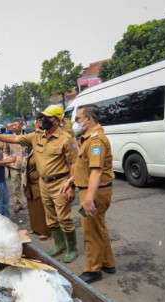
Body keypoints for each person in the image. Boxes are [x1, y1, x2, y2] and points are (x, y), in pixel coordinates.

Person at [0, 105, 78, 262]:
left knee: (64, 218)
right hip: (43, 183)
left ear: (56, 120)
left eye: (46, 117)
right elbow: (14, 138)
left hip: (61, 183)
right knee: (51, 218)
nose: (42, 120)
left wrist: (71, 185)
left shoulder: (66, 139)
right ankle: (60, 245)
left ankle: (72, 248)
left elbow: (74, 164)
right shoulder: (37, 136)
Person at [62, 105, 115, 283]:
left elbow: (96, 171)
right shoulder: (86, 138)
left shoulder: (95, 141)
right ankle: (108, 263)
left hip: (95, 191)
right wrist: (71, 180)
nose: (75, 122)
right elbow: (82, 166)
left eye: (78, 119)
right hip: (93, 188)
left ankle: (93, 270)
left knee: (90, 231)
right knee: (99, 227)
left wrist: (89, 199)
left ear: (89, 119)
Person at [22, 117, 50, 239]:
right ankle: (35, 228)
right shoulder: (27, 149)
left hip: (38, 182)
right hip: (29, 182)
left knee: (41, 207)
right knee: (32, 207)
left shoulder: (40, 146)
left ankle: (44, 231)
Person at [5, 118, 28, 213]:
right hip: (14, 166)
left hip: (26, 166)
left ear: (21, 125)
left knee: (26, 185)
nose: (14, 127)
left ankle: (30, 202)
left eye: (16, 124)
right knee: (15, 186)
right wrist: (8, 161)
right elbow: (5, 151)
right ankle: (19, 204)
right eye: (12, 125)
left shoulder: (27, 136)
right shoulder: (8, 138)